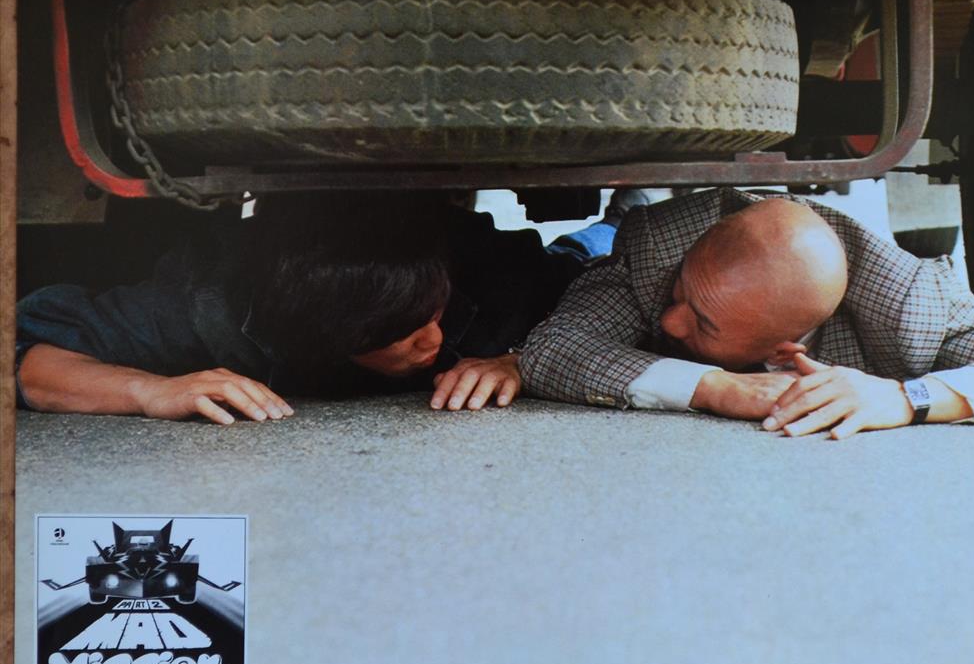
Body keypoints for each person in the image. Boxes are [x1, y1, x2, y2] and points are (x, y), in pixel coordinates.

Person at [16, 190, 637, 425]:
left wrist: (524, 358)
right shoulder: (208, 305)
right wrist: (151, 390)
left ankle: (623, 213)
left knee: (589, 249)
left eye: (435, 314)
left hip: (544, 266)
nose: (433, 340)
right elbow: (32, 359)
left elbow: (617, 301)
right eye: (401, 336)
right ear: (325, 339)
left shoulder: (490, 273)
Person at [518, 188, 974, 439]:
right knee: (573, 256)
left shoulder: (909, 305)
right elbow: (552, 347)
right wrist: (717, 387)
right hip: (603, 253)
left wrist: (904, 398)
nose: (670, 322)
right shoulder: (656, 256)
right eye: (683, 294)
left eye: (705, 324)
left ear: (787, 350)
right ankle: (617, 216)